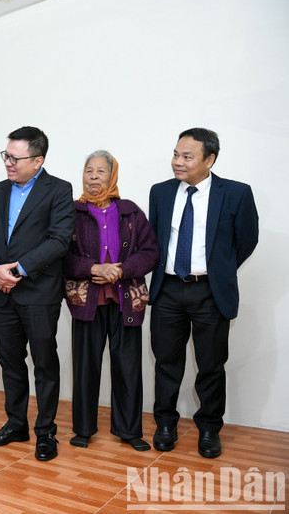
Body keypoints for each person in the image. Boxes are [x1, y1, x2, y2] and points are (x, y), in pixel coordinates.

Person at [149, 127, 258, 458]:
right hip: (167, 290)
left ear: (209, 159)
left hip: (209, 292)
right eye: (175, 154)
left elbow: (246, 240)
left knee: (211, 365)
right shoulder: (161, 192)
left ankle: (209, 429)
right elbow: (154, 239)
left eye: (187, 156)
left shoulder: (236, 193)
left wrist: (219, 271)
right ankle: (166, 424)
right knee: (166, 362)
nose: (177, 162)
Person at [0, 126, 74, 462]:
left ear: (38, 160)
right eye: (6, 156)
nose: (8, 163)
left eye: (15, 158)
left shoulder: (59, 190)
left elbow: (59, 241)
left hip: (38, 292)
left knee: (44, 364)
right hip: (2, 292)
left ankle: (46, 432)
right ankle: (16, 424)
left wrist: (16, 270)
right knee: (10, 362)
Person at [63, 150, 158, 452]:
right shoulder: (71, 212)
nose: (93, 177)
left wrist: (121, 270)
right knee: (85, 367)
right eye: (88, 171)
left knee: (128, 367)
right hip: (86, 301)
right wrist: (92, 268)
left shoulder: (131, 212)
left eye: (101, 171)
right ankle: (83, 429)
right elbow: (61, 253)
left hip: (126, 300)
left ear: (112, 174)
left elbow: (151, 251)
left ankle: (129, 430)